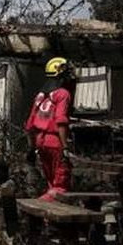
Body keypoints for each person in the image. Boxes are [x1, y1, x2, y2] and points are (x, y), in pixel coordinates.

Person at [24, 57, 76, 201]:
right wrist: (65, 147)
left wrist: (31, 148)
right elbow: (61, 121)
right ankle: (39, 210)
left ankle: (48, 220)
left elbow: (29, 125)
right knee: (60, 186)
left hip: (40, 142)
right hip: (55, 142)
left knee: (51, 182)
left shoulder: (41, 96)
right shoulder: (62, 94)